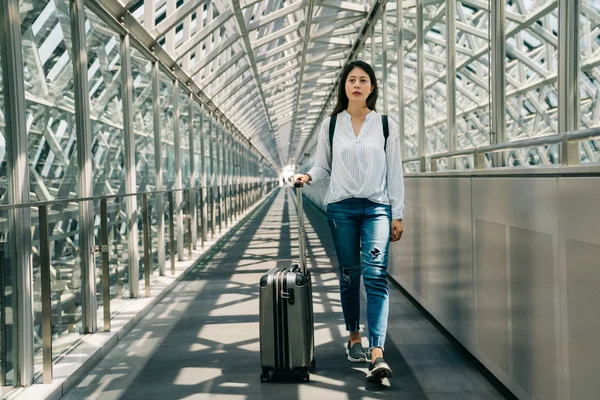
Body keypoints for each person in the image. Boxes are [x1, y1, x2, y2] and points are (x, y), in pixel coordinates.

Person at [293, 60, 404, 382]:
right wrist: (308, 175)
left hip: (377, 208)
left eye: (363, 80)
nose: (357, 84)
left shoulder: (385, 124)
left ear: (372, 88)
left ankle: (377, 352)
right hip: (340, 208)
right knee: (348, 276)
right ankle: (354, 335)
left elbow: (394, 170)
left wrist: (398, 213)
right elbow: (322, 166)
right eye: (351, 79)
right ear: (344, 87)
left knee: (376, 276)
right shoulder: (331, 126)